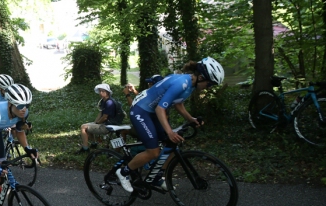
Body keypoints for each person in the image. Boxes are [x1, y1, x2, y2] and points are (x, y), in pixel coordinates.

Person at [116, 57, 224, 192]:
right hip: (140, 110)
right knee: (153, 152)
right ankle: (124, 172)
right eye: (210, 84)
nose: (209, 87)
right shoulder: (181, 83)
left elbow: (178, 103)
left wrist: (191, 119)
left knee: (172, 146)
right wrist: (170, 132)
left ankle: (156, 176)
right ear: (201, 77)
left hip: (152, 111)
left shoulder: (190, 84)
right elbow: (160, 109)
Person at [77, 83, 124, 153]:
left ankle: (85, 148)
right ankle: (93, 144)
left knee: (83, 127)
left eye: (103, 91)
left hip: (107, 125)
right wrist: (95, 123)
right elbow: (101, 113)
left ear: (107, 92)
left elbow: (105, 117)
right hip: (105, 123)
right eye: (100, 91)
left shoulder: (109, 102)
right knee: (88, 125)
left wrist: (98, 123)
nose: (101, 93)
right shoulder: (103, 101)